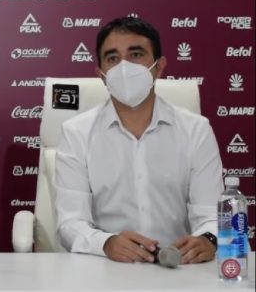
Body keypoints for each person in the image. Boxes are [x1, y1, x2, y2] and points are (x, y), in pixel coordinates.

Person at [55, 16, 223, 264]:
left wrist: (208, 240)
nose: (124, 67)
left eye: (135, 55)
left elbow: (213, 216)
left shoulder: (196, 131)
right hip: (107, 266)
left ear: (159, 66)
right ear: (101, 74)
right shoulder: (76, 133)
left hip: (179, 267)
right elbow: (70, 223)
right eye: (113, 58)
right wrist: (106, 243)